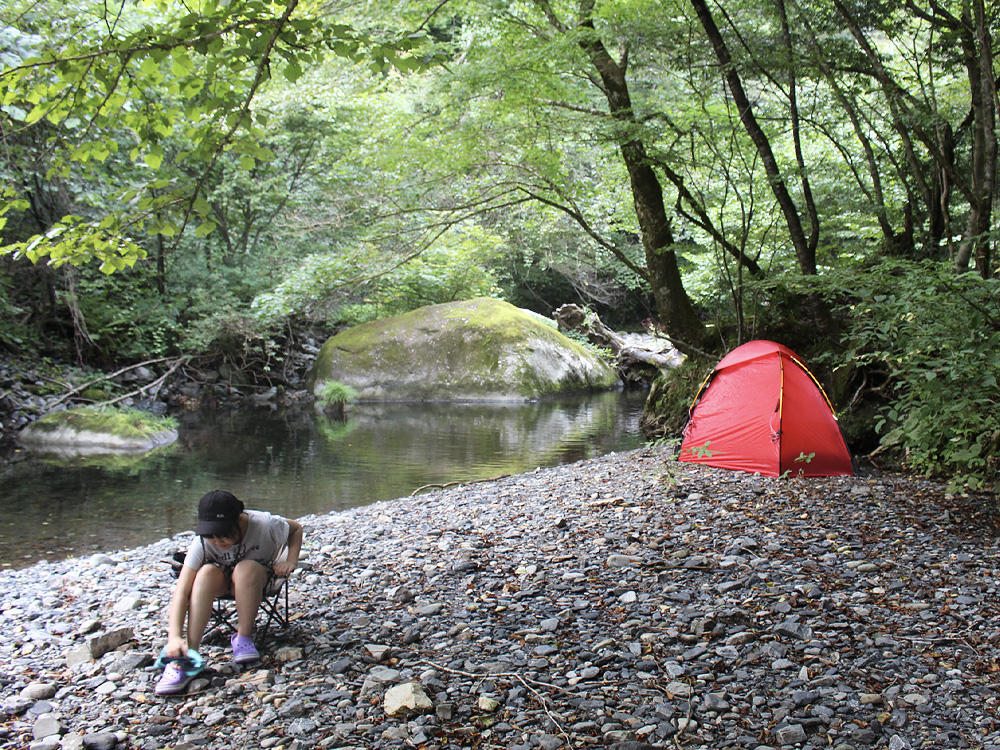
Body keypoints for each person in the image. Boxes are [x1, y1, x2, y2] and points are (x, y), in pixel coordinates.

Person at [155, 490, 303, 695]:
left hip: (256, 578)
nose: (217, 540)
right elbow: (181, 591)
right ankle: (187, 656)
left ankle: (243, 637)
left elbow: (295, 529)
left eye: (223, 533)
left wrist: (291, 561)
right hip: (221, 581)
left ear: (239, 520)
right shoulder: (202, 542)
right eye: (210, 535)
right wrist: (174, 637)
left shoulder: (265, 524)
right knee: (205, 572)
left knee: (245, 568)